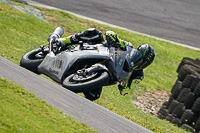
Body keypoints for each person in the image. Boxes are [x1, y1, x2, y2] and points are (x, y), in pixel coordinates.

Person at [55, 28, 155, 101]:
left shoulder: (138, 75)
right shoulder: (127, 46)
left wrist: (124, 87)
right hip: (99, 51)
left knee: (93, 96)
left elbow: (126, 90)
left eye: (144, 63)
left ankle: (75, 81)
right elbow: (111, 34)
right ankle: (64, 41)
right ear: (137, 51)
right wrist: (112, 37)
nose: (141, 63)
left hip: (108, 71)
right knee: (95, 33)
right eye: (141, 58)